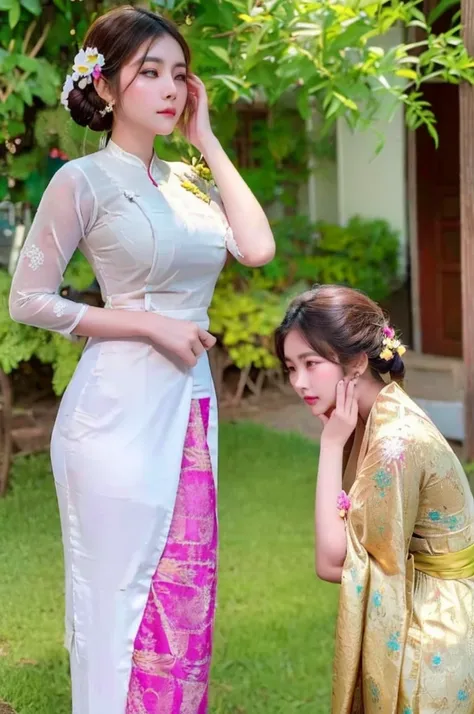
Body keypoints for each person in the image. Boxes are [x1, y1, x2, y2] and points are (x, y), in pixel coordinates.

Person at [8, 6, 275, 713]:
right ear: (105, 87)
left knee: (185, 594)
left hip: (188, 408)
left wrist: (209, 140)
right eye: (149, 72)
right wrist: (145, 326)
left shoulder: (190, 181)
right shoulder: (83, 182)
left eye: (179, 74)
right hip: (113, 417)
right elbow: (27, 300)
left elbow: (256, 247)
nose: (170, 88)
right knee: (118, 600)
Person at [275, 284, 474, 714]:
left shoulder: (393, 442)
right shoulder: (373, 414)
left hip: (437, 623)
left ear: (358, 361)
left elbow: (331, 563)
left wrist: (330, 446)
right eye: (291, 368)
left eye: (311, 364)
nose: (298, 382)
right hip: (426, 599)